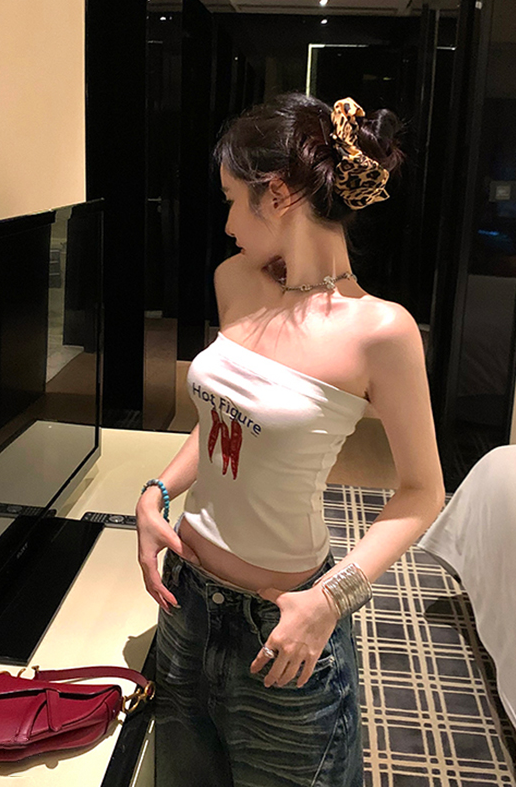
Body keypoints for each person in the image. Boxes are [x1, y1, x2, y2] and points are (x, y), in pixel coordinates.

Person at [135, 92, 446, 787]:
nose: (226, 223)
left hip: (283, 627)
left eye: (231, 200)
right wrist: (156, 492)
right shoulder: (235, 280)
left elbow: (424, 491)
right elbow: (222, 421)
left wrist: (331, 599)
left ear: (275, 194)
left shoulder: (380, 331)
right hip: (185, 603)